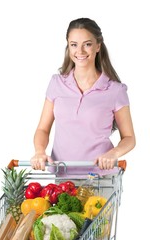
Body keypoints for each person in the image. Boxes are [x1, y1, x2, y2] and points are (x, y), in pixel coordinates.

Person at [30, 17, 135, 174]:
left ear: (98, 46)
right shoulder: (56, 83)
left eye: (87, 44)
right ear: (68, 47)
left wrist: (113, 154)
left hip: (100, 178)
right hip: (63, 176)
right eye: (74, 45)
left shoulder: (115, 90)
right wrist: (39, 151)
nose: (80, 51)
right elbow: (43, 129)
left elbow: (129, 138)